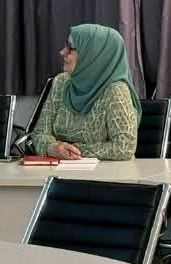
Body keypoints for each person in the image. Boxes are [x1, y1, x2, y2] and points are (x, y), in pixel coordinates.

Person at [30, 24, 141, 161]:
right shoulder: (61, 82)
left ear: (93, 55)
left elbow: (124, 147)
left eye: (70, 48)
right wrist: (50, 147)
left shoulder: (116, 91)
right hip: (61, 169)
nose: (62, 52)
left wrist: (72, 151)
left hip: (106, 172)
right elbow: (40, 132)